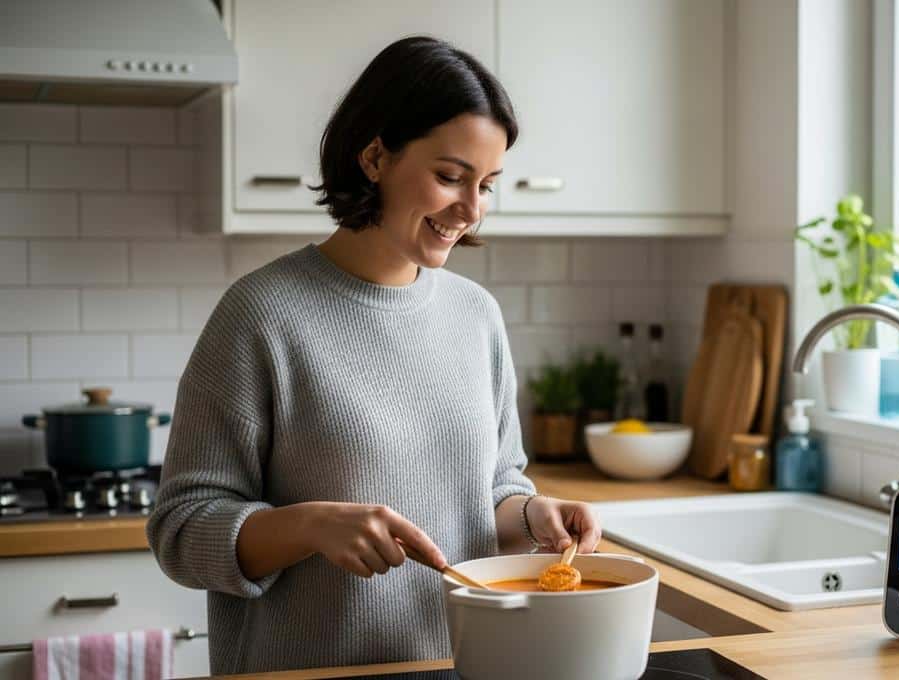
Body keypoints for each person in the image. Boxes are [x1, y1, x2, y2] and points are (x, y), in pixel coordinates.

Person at [147, 36, 601, 675]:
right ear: (374, 157)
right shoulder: (261, 314)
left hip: (460, 666)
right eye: (450, 177)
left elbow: (491, 491)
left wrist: (532, 516)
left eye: (486, 185)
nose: (472, 210)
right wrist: (310, 527)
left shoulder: (476, 316)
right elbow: (182, 531)